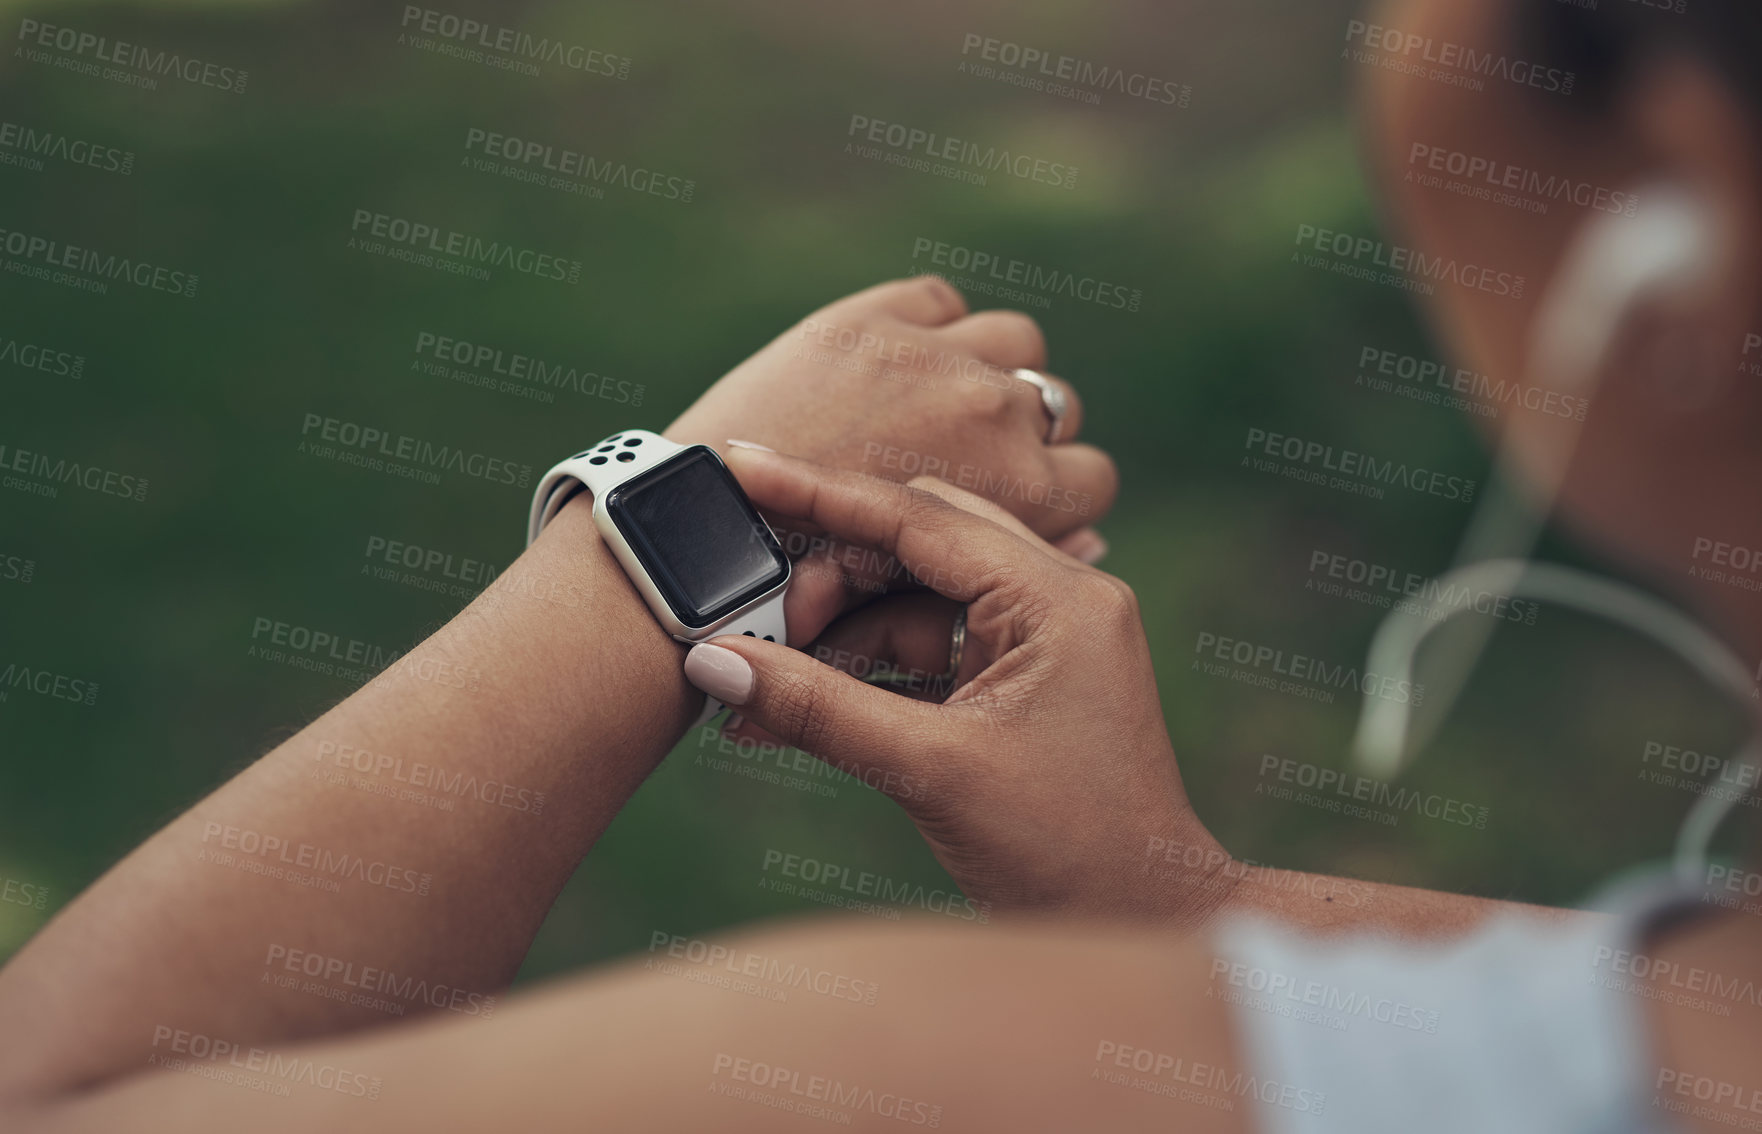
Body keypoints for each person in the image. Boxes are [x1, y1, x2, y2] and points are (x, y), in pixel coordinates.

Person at [3, 1, 1760, 1131]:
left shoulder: (916, 1077)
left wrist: (646, 548)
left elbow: (64, 1093)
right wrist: (1169, 894)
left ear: (1675, 214)